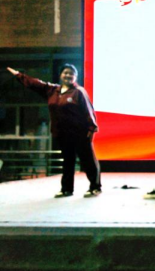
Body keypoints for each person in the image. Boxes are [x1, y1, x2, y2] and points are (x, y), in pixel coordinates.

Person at [7, 64, 101, 198]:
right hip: (62, 134)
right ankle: (66, 189)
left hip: (80, 133)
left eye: (71, 73)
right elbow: (35, 84)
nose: (68, 75)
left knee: (88, 161)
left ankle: (95, 187)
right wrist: (19, 75)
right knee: (68, 162)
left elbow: (88, 110)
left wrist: (92, 128)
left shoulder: (79, 92)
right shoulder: (52, 90)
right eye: (65, 73)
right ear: (60, 75)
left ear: (75, 77)